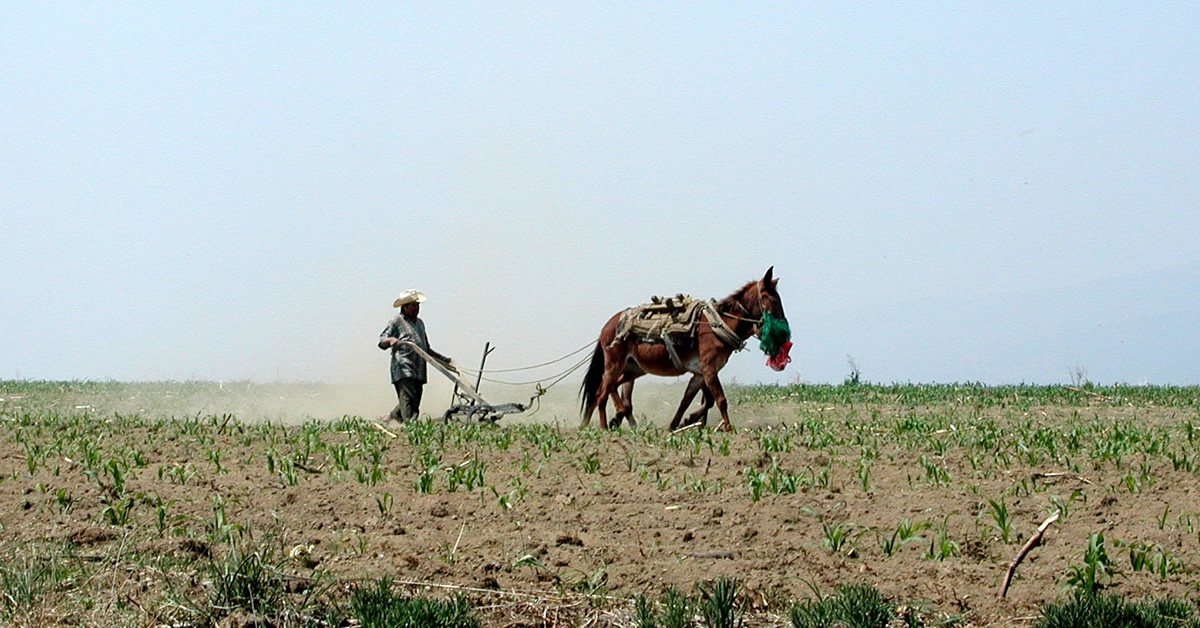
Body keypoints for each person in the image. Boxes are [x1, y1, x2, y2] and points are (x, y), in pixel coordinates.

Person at [378, 289, 451, 425]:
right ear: (404, 307)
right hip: (403, 367)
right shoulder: (397, 321)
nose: (416, 309)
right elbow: (382, 340)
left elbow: (426, 348)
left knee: (414, 398)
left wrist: (444, 359)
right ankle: (410, 426)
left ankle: (390, 416)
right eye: (413, 306)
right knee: (408, 398)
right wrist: (392, 340)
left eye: (417, 306)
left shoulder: (420, 324)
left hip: (419, 368)